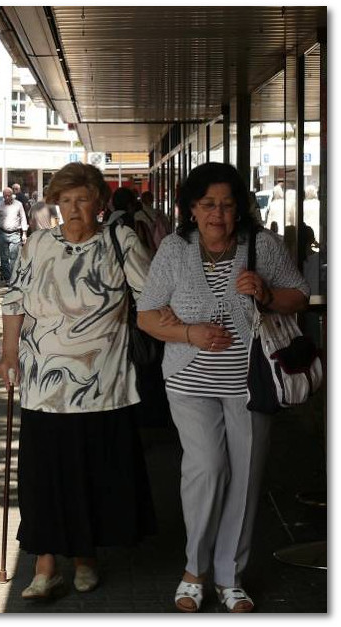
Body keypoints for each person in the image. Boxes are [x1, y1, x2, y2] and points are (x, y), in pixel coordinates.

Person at [136, 162, 309, 613]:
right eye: (208, 204)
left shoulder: (262, 246)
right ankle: (195, 570)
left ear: (241, 209)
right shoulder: (175, 249)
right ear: (191, 208)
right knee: (208, 468)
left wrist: (268, 295)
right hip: (190, 380)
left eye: (228, 205)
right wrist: (189, 334)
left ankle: (231, 576)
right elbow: (147, 314)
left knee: (246, 476)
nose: (218, 214)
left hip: (251, 383)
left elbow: (299, 295)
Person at [0, 162, 157, 601]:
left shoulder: (120, 242)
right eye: (65, 201)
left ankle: (86, 557)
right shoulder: (37, 245)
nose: (73, 209)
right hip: (43, 382)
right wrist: (9, 354)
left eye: (82, 199)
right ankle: (45, 566)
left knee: (92, 473)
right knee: (44, 475)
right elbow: (14, 301)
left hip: (103, 382)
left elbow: (153, 299)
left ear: (99, 203)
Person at [0, 186, 29, 284]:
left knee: (14, 257)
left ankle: (13, 278)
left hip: (15, 233)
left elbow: (23, 218)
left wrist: (24, 233)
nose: (6, 198)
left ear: (12, 196)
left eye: (8, 196)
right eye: (4, 196)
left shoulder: (18, 205)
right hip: (2, 233)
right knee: (4, 258)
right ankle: (8, 278)